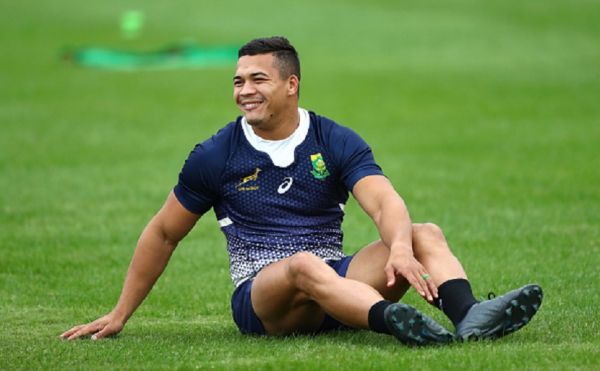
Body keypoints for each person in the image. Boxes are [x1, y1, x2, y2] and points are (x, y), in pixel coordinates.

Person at [61, 36, 543, 346]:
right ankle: (396, 323)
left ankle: (470, 317)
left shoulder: (333, 138)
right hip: (262, 300)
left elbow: (382, 199)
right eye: (237, 81)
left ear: (291, 84)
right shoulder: (215, 155)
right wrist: (120, 314)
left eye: (258, 79)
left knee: (425, 233)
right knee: (302, 265)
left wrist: (399, 248)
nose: (244, 90)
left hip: (336, 286)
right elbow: (164, 233)